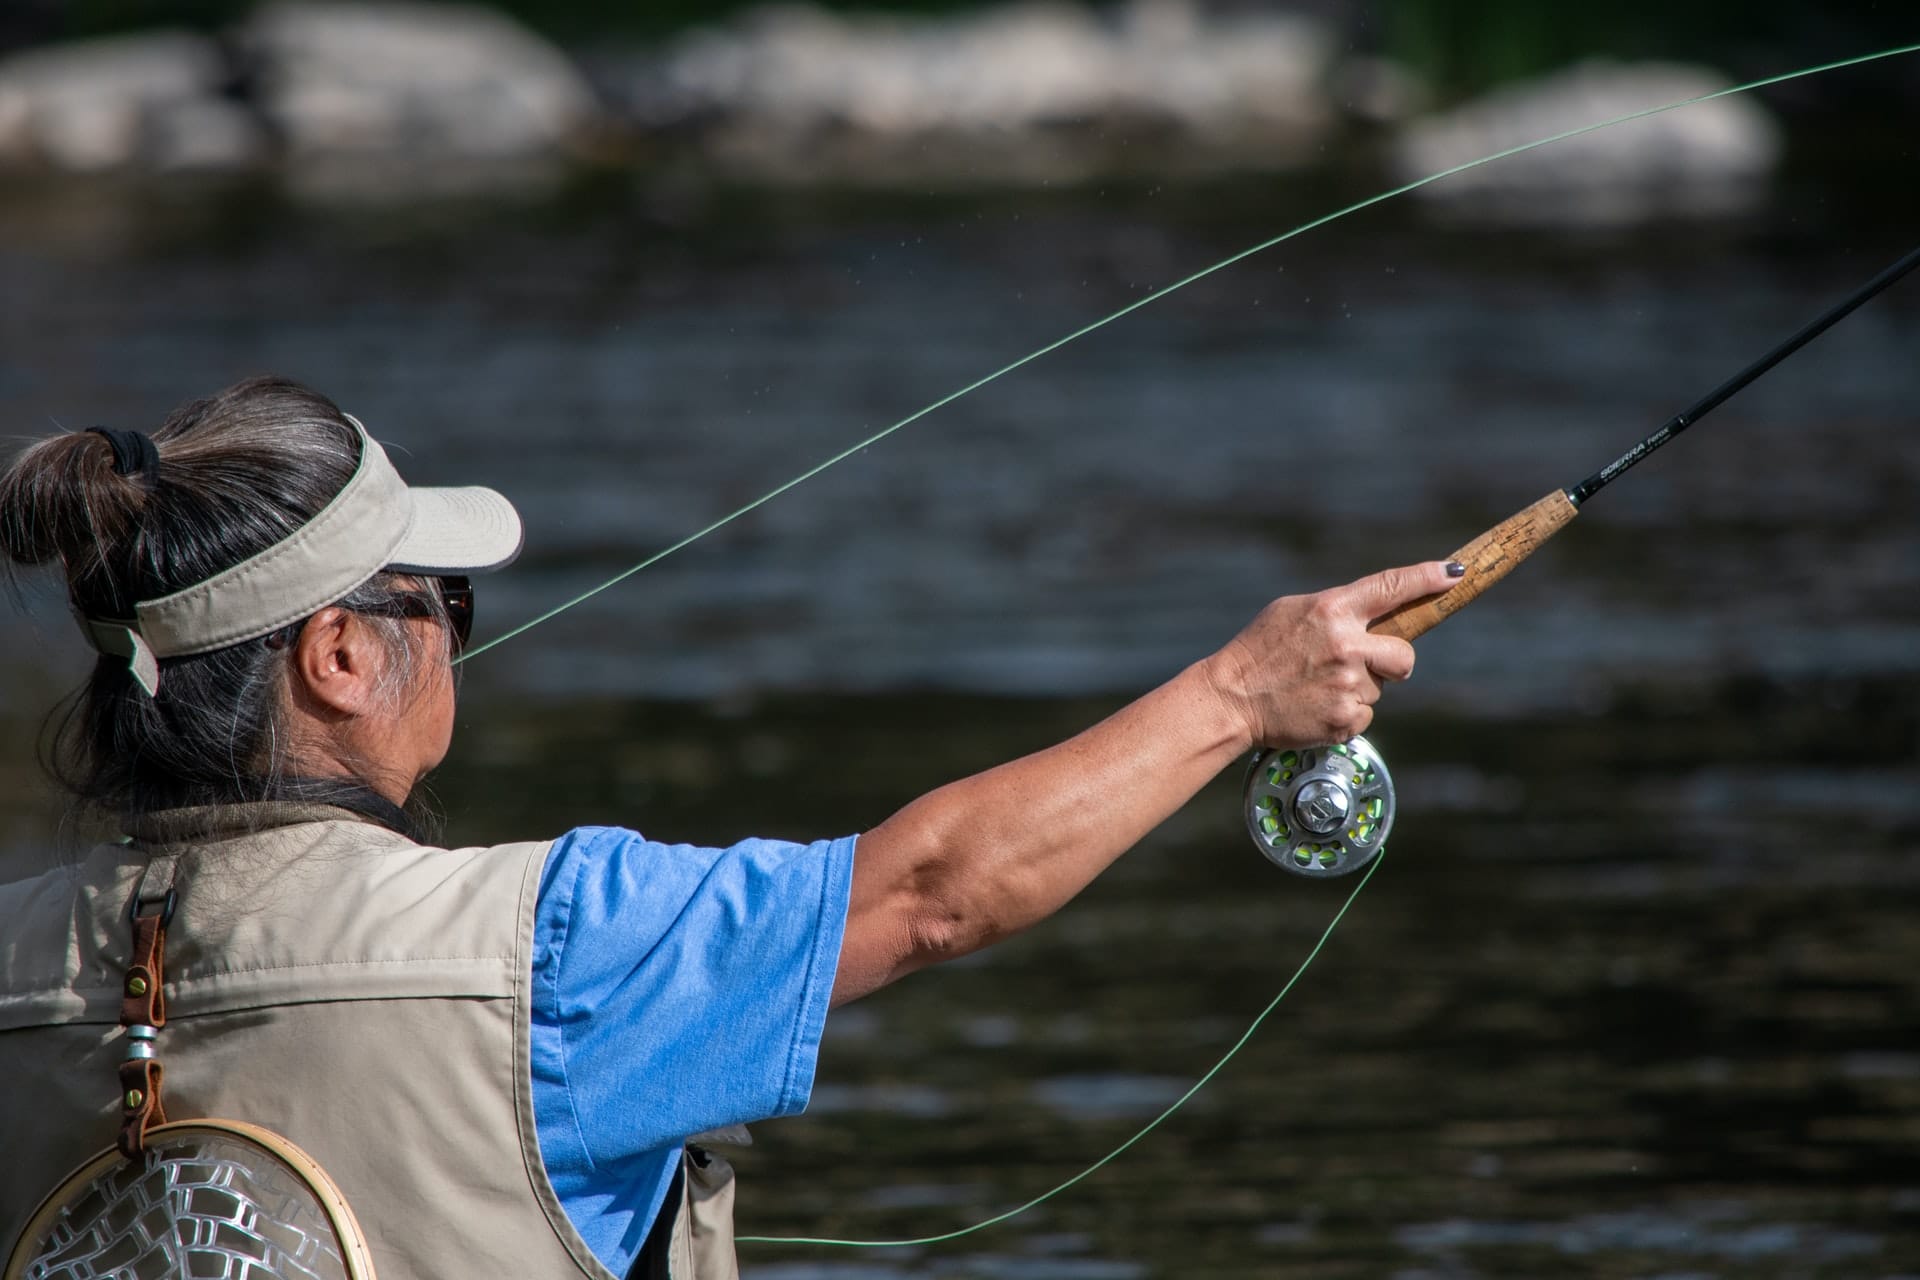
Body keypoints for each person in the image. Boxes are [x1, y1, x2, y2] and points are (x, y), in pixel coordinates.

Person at [0, 377, 1460, 1279]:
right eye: (439, 602)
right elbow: (941, 889)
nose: (455, 633)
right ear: (334, 657)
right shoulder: (558, 947)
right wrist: (1238, 694)